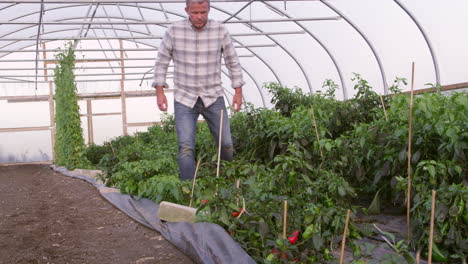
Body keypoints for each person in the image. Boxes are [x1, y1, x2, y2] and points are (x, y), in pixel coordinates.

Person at [152, 0, 245, 181]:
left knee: (226, 144)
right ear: (187, 10)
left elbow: (232, 61)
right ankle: (188, 190)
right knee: (185, 146)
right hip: (185, 98)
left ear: (209, 9)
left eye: (203, 12)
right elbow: (162, 61)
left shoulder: (220, 31)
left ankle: (227, 183)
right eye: (195, 12)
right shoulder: (174, 31)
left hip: (213, 96)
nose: (199, 16)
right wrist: (159, 91)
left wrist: (238, 91)